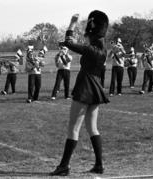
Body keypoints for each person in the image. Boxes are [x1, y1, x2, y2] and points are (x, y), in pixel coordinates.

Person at [50, 10, 109, 176]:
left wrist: (72, 23)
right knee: (92, 128)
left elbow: (69, 42)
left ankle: (64, 166)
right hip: (96, 88)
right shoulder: (101, 49)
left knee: (73, 128)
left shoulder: (91, 49)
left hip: (85, 88)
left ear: (92, 32)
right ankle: (99, 165)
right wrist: (73, 41)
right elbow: (73, 44)